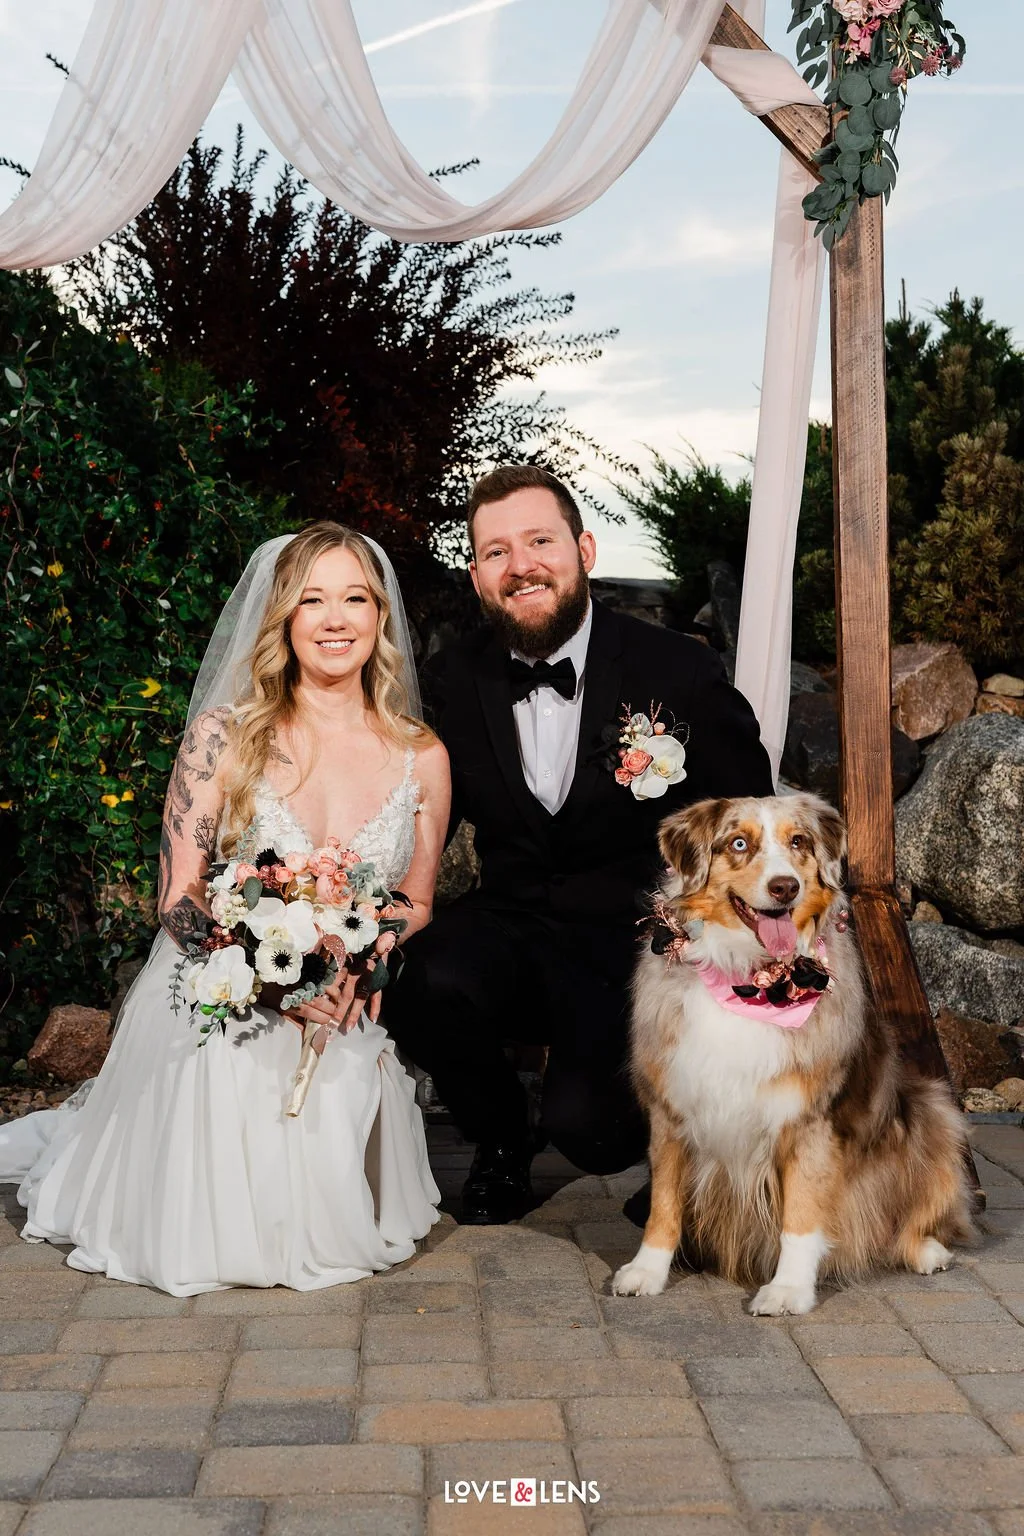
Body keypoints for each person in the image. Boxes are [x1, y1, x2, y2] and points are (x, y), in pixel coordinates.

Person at [0, 523, 450, 1294]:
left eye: (354, 598)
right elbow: (176, 897)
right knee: (233, 1071)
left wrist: (359, 966)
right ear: (281, 616)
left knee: (338, 1106)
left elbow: (416, 900)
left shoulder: (422, 755)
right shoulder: (225, 737)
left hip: (339, 993)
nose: (335, 619)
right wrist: (273, 984)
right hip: (223, 981)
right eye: (312, 600)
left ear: (380, 616)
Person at [384, 466, 774, 1224]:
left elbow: (746, 816)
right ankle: (499, 1139)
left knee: (593, 1134)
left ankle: (670, 1154)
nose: (520, 564)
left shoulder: (675, 667)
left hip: (634, 947)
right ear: (476, 576)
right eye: (495, 552)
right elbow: (411, 805)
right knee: (415, 980)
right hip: (515, 923)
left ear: (584, 549)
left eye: (539, 541)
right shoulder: (452, 677)